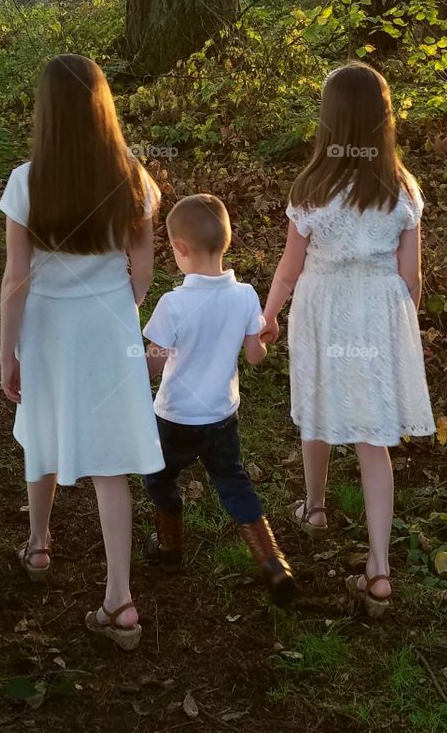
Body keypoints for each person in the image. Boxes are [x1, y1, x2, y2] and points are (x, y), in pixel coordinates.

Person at [0, 54, 164, 652]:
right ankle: (120, 600)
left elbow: (16, 279)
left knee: (39, 427)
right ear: (102, 107)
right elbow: (142, 266)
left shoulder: (27, 181)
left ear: (45, 114)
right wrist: (122, 308)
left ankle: (39, 544)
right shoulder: (133, 178)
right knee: (110, 459)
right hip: (108, 325)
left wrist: (6, 352)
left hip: (46, 324)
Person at [260, 62, 435, 618]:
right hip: (378, 309)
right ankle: (379, 569)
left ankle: (313, 509)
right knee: (373, 432)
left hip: (324, 306)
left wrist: (269, 315)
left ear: (330, 121)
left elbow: (289, 269)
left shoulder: (312, 188)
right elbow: (411, 279)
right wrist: (399, 322)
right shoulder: (403, 189)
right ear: (383, 120)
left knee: (318, 401)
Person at [141, 194, 297, 606]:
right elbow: (254, 356)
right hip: (222, 416)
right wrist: (265, 336)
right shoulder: (245, 295)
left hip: (175, 417)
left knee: (159, 477)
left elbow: (152, 368)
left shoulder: (172, 304)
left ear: (180, 248)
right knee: (232, 481)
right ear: (225, 244)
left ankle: (170, 548)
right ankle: (273, 562)